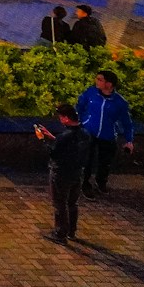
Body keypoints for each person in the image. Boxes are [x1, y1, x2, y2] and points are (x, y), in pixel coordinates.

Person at [35, 102, 88, 244]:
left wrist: (42, 139)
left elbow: (53, 152)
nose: (60, 119)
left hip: (61, 173)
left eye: (60, 117)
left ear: (66, 118)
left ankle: (60, 233)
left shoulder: (65, 136)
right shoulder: (84, 133)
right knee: (73, 202)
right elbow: (69, 146)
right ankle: (71, 231)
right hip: (76, 173)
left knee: (59, 203)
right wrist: (53, 137)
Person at [75, 70, 133, 196]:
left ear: (109, 84)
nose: (97, 81)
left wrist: (129, 140)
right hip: (89, 131)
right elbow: (80, 105)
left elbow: (126, 122)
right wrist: (80, 121)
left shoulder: (119, 102)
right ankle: (85, 184)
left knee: (105, 161)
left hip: (108, 135)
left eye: (100, 80)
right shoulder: (91, 92)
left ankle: (101, 182)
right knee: (87, 160)